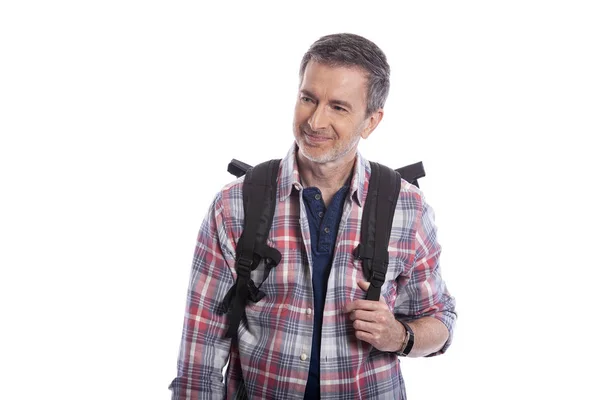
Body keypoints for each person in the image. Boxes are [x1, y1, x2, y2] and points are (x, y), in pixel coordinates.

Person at [169, 33, 456, 399]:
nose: (315, 121)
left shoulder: (409, 208)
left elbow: (441, 321)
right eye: (308, 99)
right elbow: (200, 354)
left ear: (371, 121)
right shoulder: (234, 204)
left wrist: (400, 336)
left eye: (338, 107)